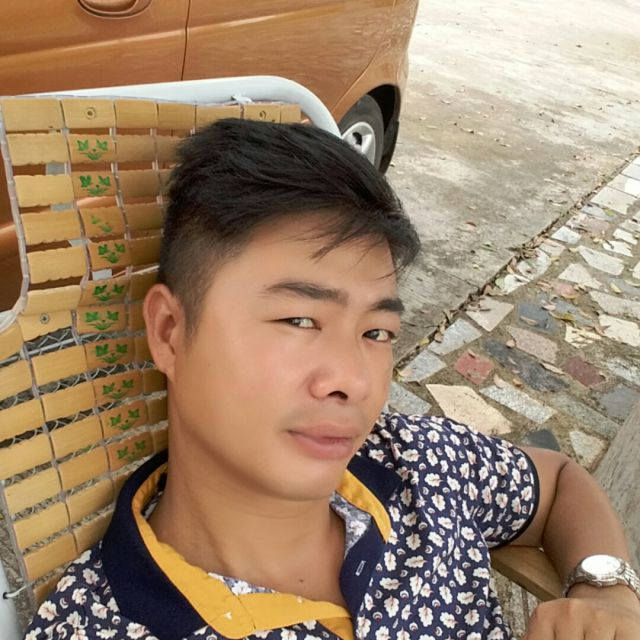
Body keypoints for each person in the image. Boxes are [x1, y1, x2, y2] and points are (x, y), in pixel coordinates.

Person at [26, 119, 640, 640]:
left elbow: (558, 482)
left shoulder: (414, 465)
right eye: (299, 320)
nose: (353, 381)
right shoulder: (99, 624)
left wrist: (606, 590)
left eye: (377, 332)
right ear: (169, 332)